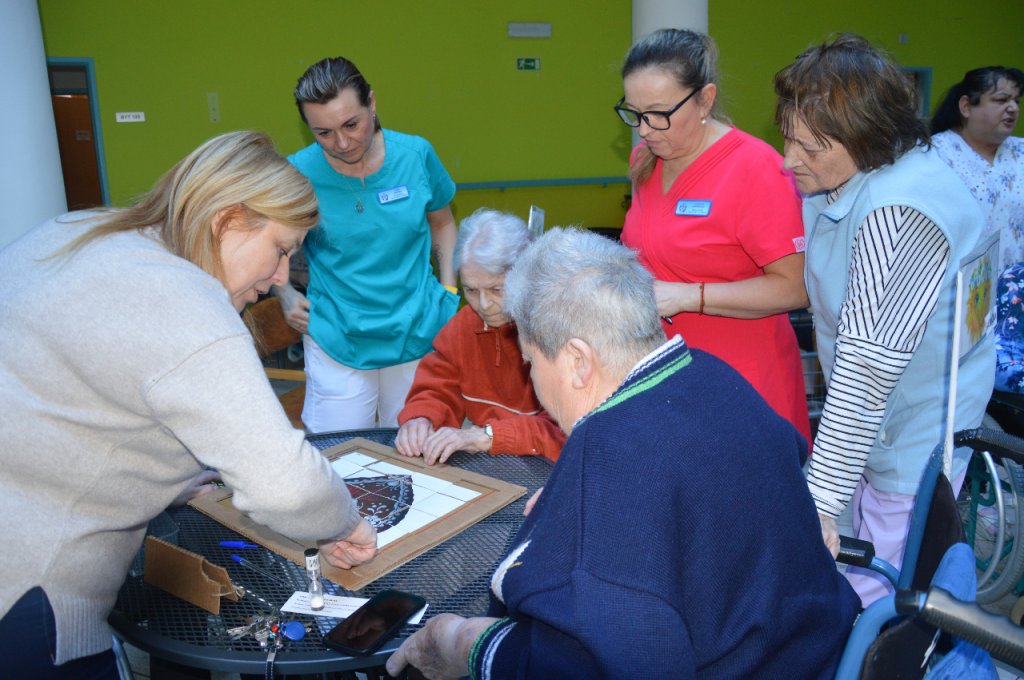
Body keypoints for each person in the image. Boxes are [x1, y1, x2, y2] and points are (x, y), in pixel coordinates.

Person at [385, 228, 859, 679]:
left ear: (578, 361)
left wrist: (463, 643)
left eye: (531, 362)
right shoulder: (713, 374)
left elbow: (592, 665)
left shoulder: (609, 461)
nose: (532, 379)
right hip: (824, 648)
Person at [0, 131, 378, 678]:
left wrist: (160, 477)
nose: (280, 277)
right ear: (227, 220)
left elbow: (71, 397)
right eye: (281, 250)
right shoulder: (186, 302)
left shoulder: (77, 230)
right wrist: (344, 523)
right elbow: (286, 486)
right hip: (28, 597)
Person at [774, 34, 994, 606]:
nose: (789, 160)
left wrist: (819, 501)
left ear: (866, 135)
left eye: (809, 147)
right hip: (884, 422)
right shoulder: (863, 173)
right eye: (787, 139)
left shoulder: (900, 210)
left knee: (879, 596)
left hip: (910, 429)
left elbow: (867, 371)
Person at [617, 28, 812, 448]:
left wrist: (688, 296)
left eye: (658, 114)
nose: (644, 129)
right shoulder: (645, 160)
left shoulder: (756, 168)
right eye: (634, 113)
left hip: (742, 389)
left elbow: (795, 288)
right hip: (667, 379)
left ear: (705, 100)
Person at [276, 56, 459, 432]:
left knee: (413, 447)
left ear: (372, 104)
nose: (342, 143)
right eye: (324, 133)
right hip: (337, 333)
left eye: (351, 124)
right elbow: (271, 243)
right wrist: (285, 294)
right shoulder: (298, 173)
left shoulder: (415, 156)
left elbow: (442, 222)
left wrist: (449, 289)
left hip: (417, 327)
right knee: (338, 450)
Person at [395, 209, 565, 465]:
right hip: (487, 460)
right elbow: (439, 385)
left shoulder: (556, 329)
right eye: (471, 290)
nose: (484, 304)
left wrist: (489, 436)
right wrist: (422, 417)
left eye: (497, 289)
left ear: (527, 277)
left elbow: (563, 430)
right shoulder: (463, 326)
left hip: (545, 465)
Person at [930, 67, 1024, 395]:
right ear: (966, 106)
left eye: (1016, 101)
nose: (1012, 108)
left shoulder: (1021, 153)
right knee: (964, 391)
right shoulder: (936, 155)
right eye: (1000, 99)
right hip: (958, 302)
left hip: (1015, 302)